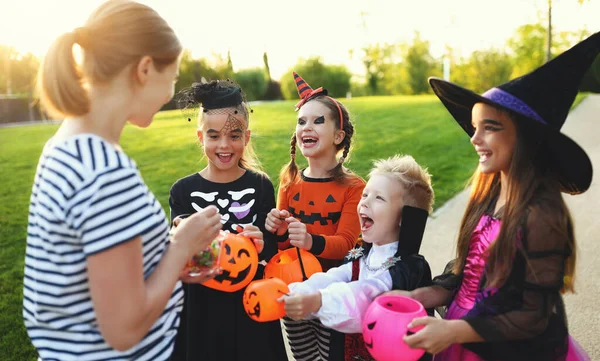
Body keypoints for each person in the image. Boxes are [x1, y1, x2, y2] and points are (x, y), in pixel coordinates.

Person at [23, 1, 223, 360]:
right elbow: (124, 330)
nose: (170, 92)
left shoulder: (65, 146)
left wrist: (171, 262)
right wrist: (180, 246)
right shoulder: (105, 173)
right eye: (173, 77)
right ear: (145, 68)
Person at [387, 32, 600, 361]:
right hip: (466, 333)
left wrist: (454, 331)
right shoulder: (490, 193)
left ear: (525, 137)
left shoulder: (542, 215)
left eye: (490, 127)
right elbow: (471, 268)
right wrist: (423, 294)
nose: (475, 138)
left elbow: (533, 317)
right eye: (474, 127)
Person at [168, 79, 287, 361]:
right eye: (214, 136)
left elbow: (270, 251)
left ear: (246, 138)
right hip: (202, 308)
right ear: (201, 137)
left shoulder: (260, 185)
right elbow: (182, 253)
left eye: (234, 136)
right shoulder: (182, 191)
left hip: (250, 305)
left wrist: (262, 241)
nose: (224, 145)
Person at [281, 155, 435, 361]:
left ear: (403, 218)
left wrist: (319, 301)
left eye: (379, 198)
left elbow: (368, 294)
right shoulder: (363, 253)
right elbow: (335, 276)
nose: (365, 203)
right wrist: (297, 291)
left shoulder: (410, 267)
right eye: (365, 195)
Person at [265, 72, 365, 360]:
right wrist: (279, 230)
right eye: (301, 121)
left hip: (334, 291)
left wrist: (309, 240)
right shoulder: (290, 180)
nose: (306, 127)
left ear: (339, 136)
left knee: (332, 354)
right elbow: (284, 249)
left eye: (317, 121)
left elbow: (346, 243)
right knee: (304, 356)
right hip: (295, 286)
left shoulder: (354, 187)